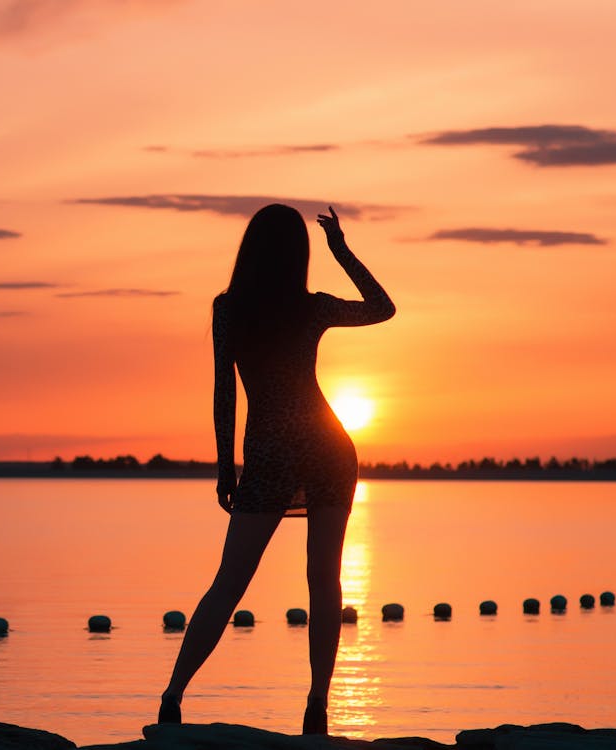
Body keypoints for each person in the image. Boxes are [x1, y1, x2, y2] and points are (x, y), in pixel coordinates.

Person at [157, 203, 395, 735]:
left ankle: (173, 696)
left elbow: (225, 394)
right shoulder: (309, 308)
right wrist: (343, 252)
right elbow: (382, 307)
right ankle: (316, 706)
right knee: (322, 583)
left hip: (271, 449)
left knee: (231, 582)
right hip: (326, 446)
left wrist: (226, 467)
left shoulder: (229, 308)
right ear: (299, 255)